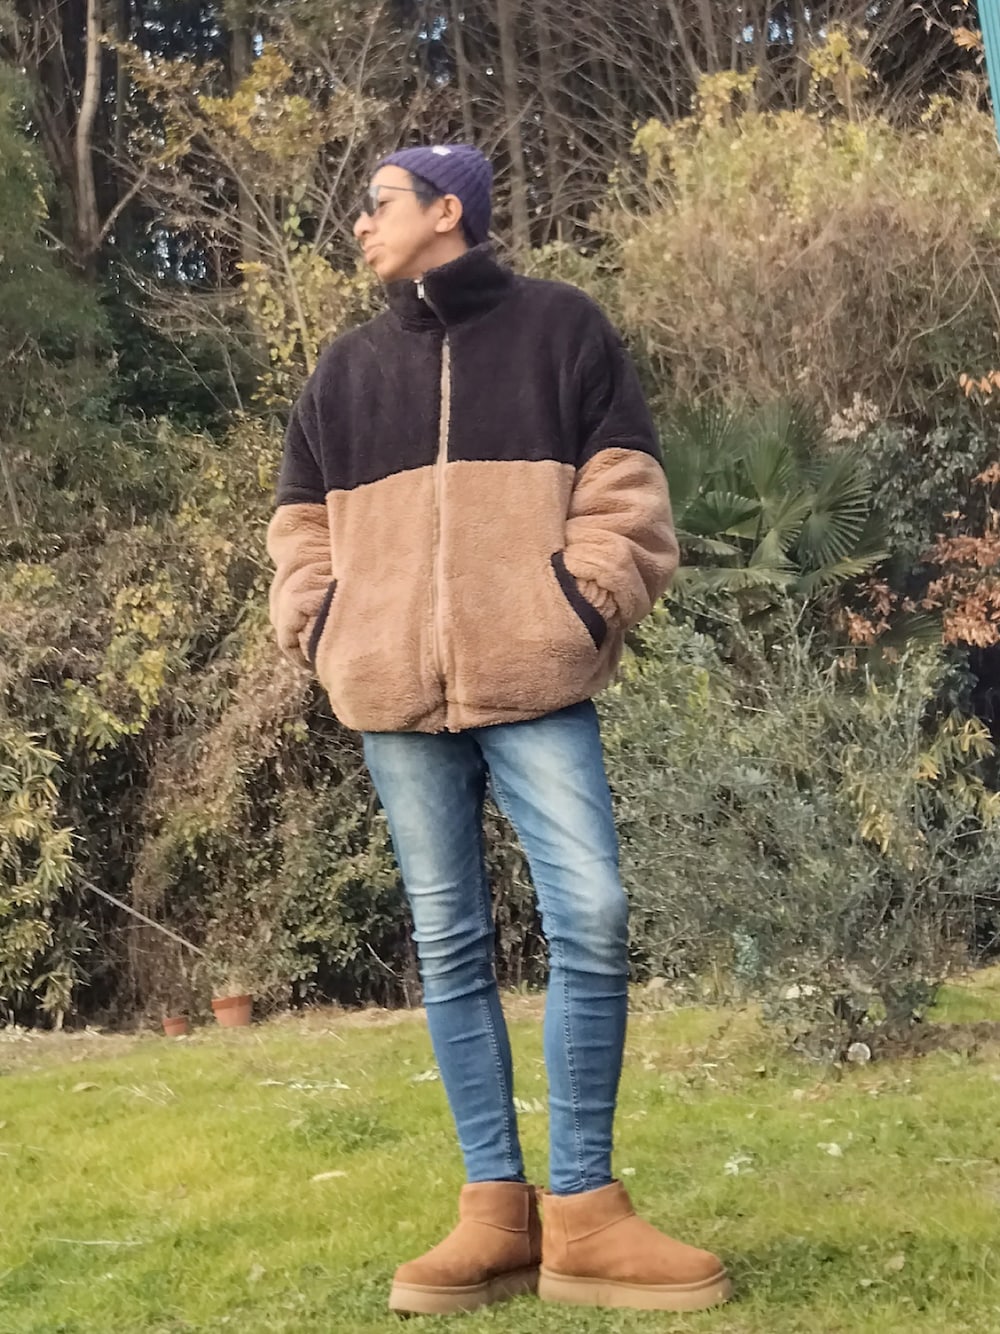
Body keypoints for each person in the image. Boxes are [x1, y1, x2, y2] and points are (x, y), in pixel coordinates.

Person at [266, 143, 732, 1317]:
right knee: (449, 942)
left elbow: (625, 490)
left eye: (377, 204)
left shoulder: (561, 329)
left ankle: (585, 1211)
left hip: (537, 680)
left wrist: (578, 605)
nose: (360, 225)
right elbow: (299, 523)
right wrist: (323, 624)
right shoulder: (345, 369)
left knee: (593, 914)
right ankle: (493, 1211)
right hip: (392, 696)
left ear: (446, 209)